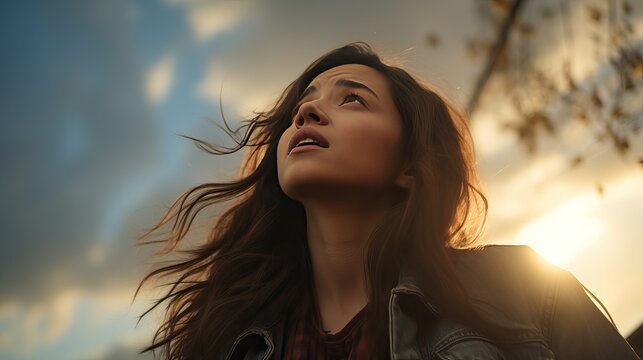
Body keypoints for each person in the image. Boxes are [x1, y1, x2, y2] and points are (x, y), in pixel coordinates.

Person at [136, 42, 640, 359]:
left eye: (351, 98)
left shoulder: (526, 293)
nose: (306, 109)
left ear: (409, 166)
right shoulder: (225, 338)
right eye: (303, 102)